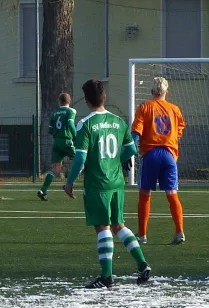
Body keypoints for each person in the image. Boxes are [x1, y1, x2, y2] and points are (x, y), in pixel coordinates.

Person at [63, 79, 151, 288]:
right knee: (119, 225)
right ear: (104, 97)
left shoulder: (85, 124)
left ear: (86, 100)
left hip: (97, 183)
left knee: (102, 227)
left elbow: (81, 158)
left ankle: (106, 276)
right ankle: (143, 264)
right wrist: (115, 161)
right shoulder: (119, 121)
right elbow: (131, 149)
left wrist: (69, 182)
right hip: (116, 182)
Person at [131, 77, 186, 245]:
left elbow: (136, 132)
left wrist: (131, 148)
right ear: (166, 92)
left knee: (145, 194)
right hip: (169, 155)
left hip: (151, 154)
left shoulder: (145, 107)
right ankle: (179, 231)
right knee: (172, 194)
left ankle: (142, 234)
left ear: (152, 92)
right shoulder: (174, 109)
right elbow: (180, 129)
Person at [37, 93, 76, 201]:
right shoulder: (71, 111)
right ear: (70, 101)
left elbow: (50, 130)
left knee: (55, 169)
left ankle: (43, 191)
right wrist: (76, 136)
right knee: (81, 162)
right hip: (67, 141)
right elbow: (70, 124)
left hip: (56, 142)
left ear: (59, 101)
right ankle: (69, 185)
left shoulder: (54, 113)